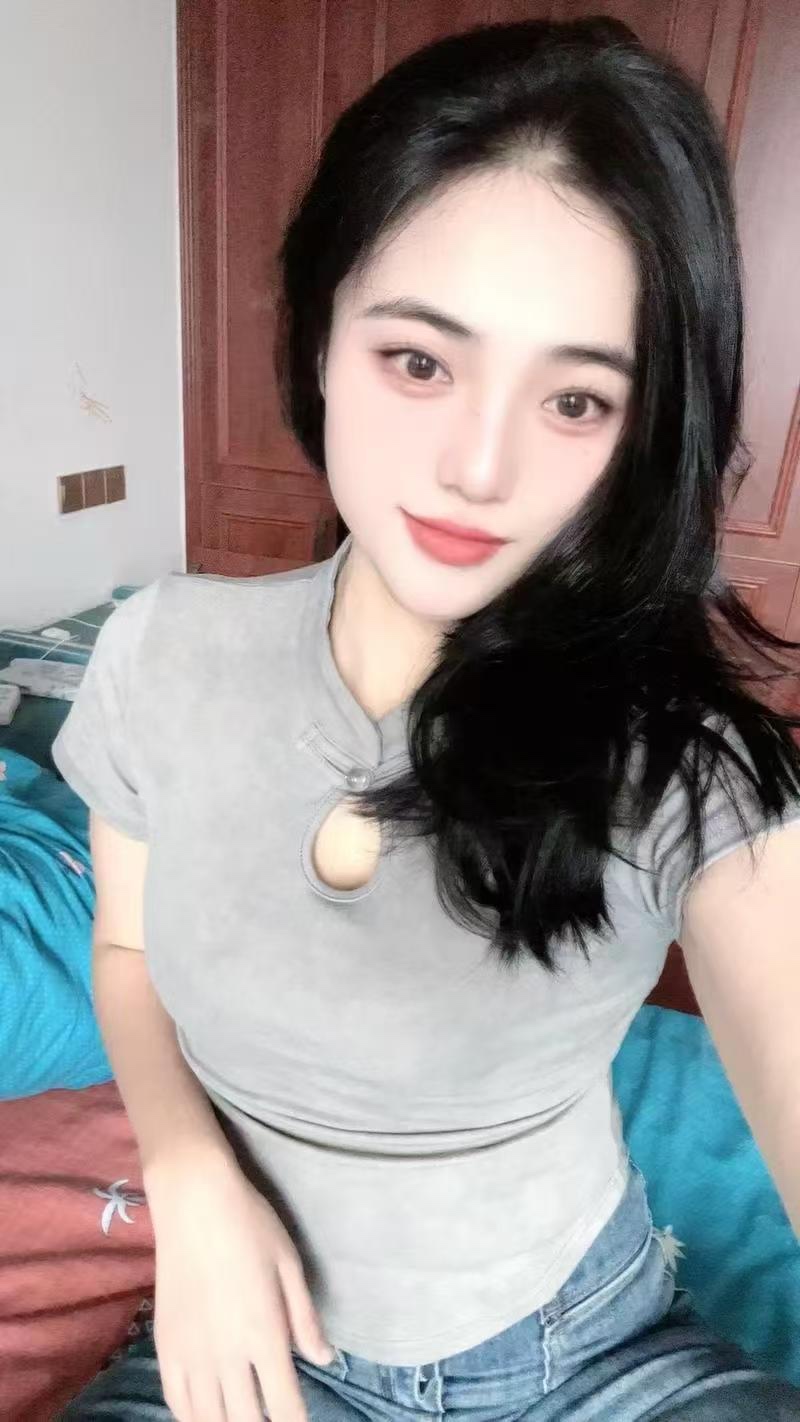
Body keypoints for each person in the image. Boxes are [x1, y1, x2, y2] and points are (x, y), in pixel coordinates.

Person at [54, 15, 800, 1422]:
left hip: (594, 1356)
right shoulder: (161, 653)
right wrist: (191, 1181)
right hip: (250, 1345)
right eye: (419, 362)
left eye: (574, 398)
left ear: (643, 434)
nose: (478, 466)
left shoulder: (679, 766)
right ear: (320, 336)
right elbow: (129, 948)